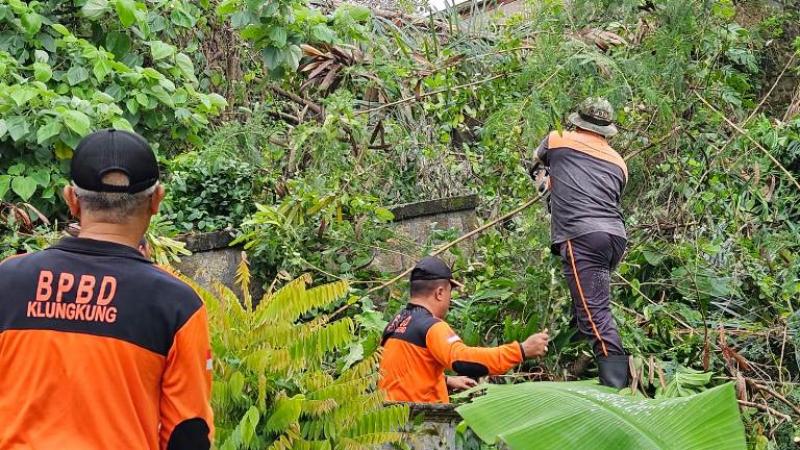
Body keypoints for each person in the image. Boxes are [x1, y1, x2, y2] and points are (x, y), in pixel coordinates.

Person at [0, 129, 213, 449]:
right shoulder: (177, 306)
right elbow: (188, 434)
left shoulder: (8, 280)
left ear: (71, 199)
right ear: (156, 200)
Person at [529, 97, 629, 388]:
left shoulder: (557, 139)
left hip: (582, 235)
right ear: (607, 129)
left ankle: (617, 388)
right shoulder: (619, 162)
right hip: (614, 237)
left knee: (594, 313)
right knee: (589, 303)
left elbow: (536, 165)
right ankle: (585, 361)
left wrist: (548, 191)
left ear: (577, 119)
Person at [378, 256, 549, 403]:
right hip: (419, 427)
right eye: (449, 292)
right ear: (439, 293)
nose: (449, 299)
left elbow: (403, 375)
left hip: (389, 423)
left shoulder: (395, 324)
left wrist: (446, 380)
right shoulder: (431, 327)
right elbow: (463, 360)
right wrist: (521, 351)